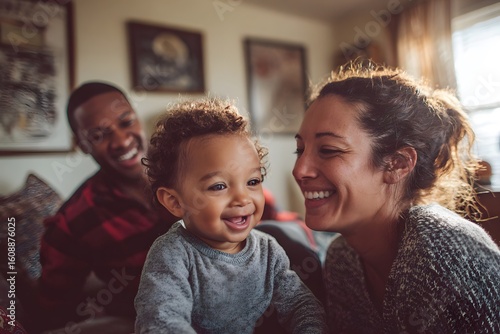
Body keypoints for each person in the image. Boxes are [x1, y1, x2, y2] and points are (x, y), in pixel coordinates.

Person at [292, 62, 500, 333]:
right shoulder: (341, 260)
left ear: (398, 164)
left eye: (329, 150)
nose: (299, 170)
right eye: (299, 150)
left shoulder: (439, 246)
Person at [135, 97, 327, 333]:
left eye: (253, 181)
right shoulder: (173, 255)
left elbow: (301, 305)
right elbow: (161, 320)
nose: (242, 198)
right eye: (218, 186)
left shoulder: (268, 251)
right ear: (174, 202)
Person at [32, 82, 179, 333]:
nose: (121, 141)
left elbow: (252, 206)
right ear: (82, 145)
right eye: (99, 135)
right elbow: (51, 311)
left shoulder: (186, 169)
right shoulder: (74, 220)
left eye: (126, 122)